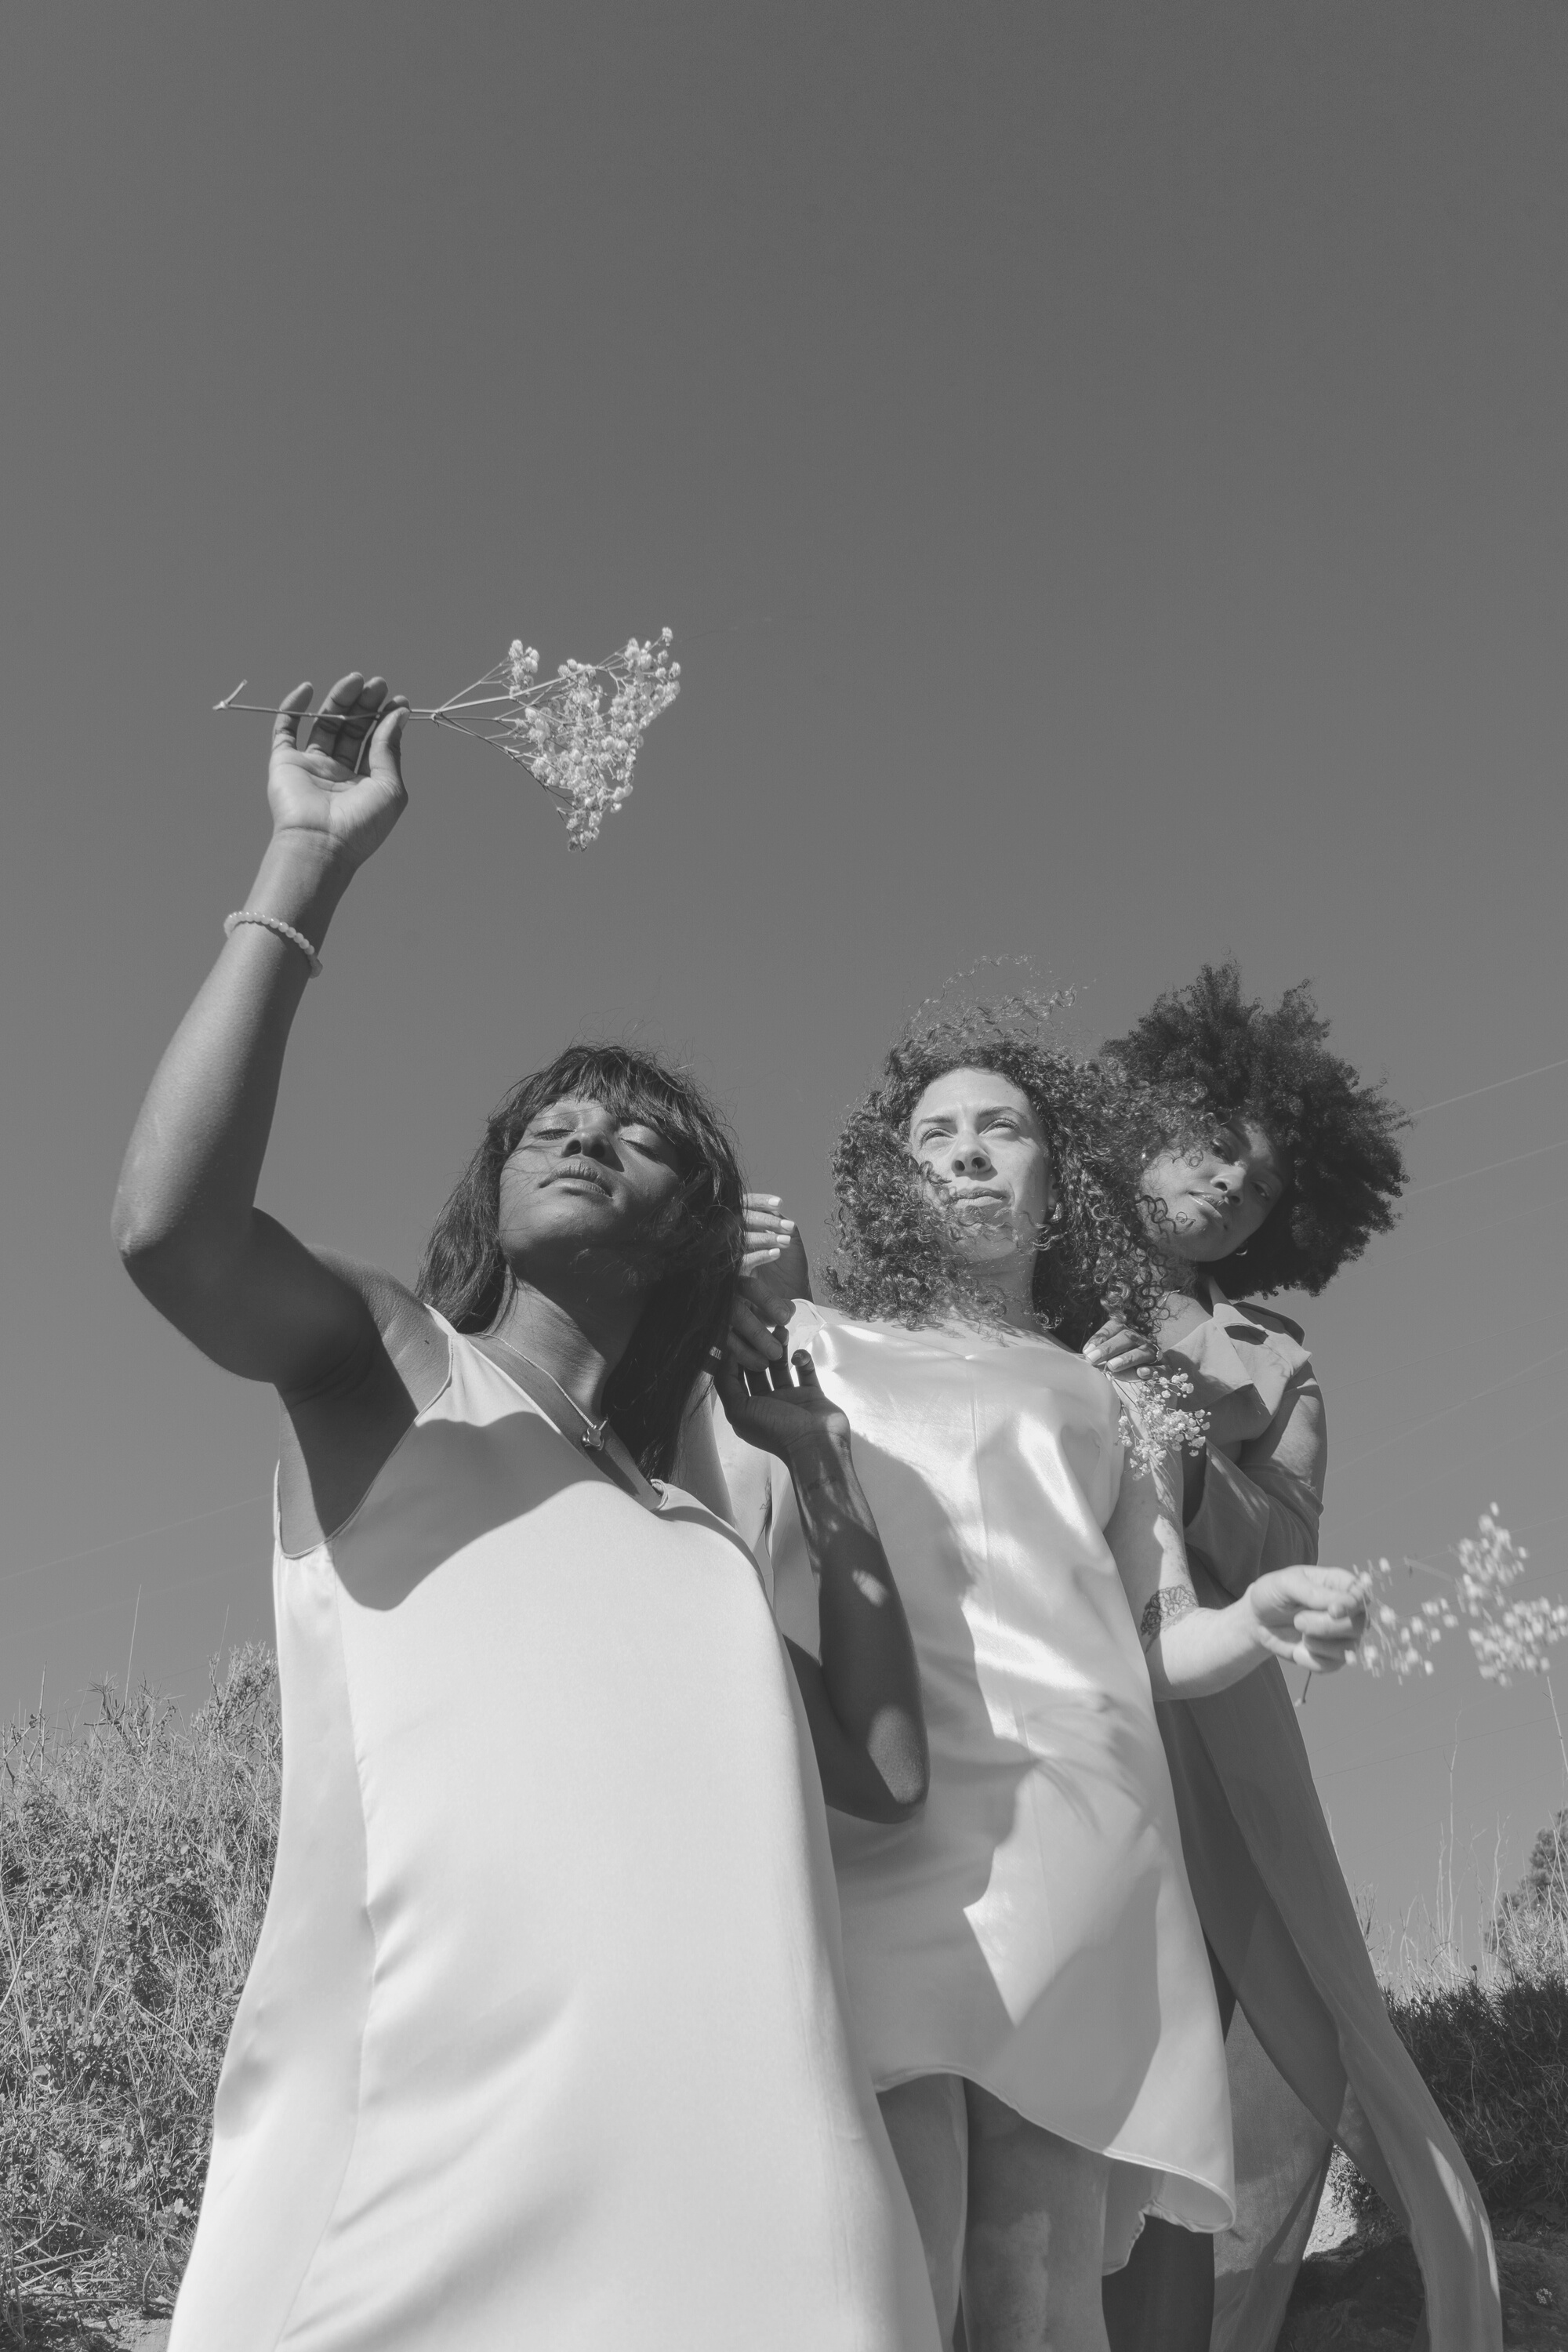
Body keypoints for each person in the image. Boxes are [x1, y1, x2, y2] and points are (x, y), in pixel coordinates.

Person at [111, 673, 943, 2352]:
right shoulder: (394, 1364)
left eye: (640, 1138)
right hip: (431, 2151)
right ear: (488, 1193)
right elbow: (171, 1238)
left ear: (691, 1230)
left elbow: (885, 1773)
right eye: (552, 1122)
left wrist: (828, 1482)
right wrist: (302, 866)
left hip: (766, 2171)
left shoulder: (700, 1542)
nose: (587, 1131)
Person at [710, 1004, 1366, 2352]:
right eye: (933, 1135)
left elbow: (1158, 1639)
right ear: (892, 1181)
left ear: (1060, 1180)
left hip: (1084, 1842)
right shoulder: (808, 1353)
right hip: (879, 1825)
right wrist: (736, 1297)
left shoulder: (1110, 1399)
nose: (966, 1154)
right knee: (881, 2260)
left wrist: (1262, 1619)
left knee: (1037, 2288)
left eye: (1001, 1129)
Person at [1091, 961, 1501, 2352]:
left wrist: (1186, 1434)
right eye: (1209, 1150)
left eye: (1257, 1190)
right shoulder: (1004, 1255)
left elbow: (1278, 1556)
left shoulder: (1274, 1364)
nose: (1223, 1191)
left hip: (1205, 1736)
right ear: (1142, 1127)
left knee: (1250, 2053)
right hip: (1013, 1693)